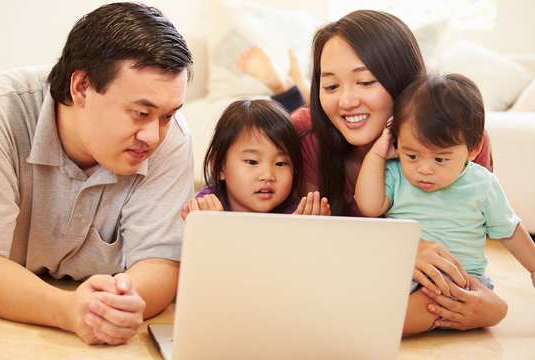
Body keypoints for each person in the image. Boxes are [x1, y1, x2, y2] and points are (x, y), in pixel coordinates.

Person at [237, 10, 507, 333]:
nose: (347, 101)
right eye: (331, 85)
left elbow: (467, 255)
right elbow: (288, 250)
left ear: (404, 82)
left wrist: (494, 309)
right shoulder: (306, 135)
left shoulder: (454, 139)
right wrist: (399, 248)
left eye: (365, 82)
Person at [0, 3, 193, 345]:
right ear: (82, 87)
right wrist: (68, 309)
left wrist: (117, 305)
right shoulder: (2, 113)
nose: (153, 136)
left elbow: (161, 262)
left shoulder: (170, 137)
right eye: (141, 112)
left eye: (167, 115)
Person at [355, 73, 535, 334]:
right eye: (412, 155)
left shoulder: (481, 184)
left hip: (456, 280)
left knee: (424, 304)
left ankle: (372, 328)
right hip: (401, 269)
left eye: (440, 159)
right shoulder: (395, 173)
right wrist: (378, 153)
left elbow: (509, 230)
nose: (424, 170)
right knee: (358, 287)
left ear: (472, 150)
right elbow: (369, 206)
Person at [181, 98, 330, 219]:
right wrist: (212, 231)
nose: (268, 175)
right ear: (220, 167)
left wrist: (308, 232)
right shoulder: (204, 209)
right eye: (252, 162)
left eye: (280, 163)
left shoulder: (298, 214)